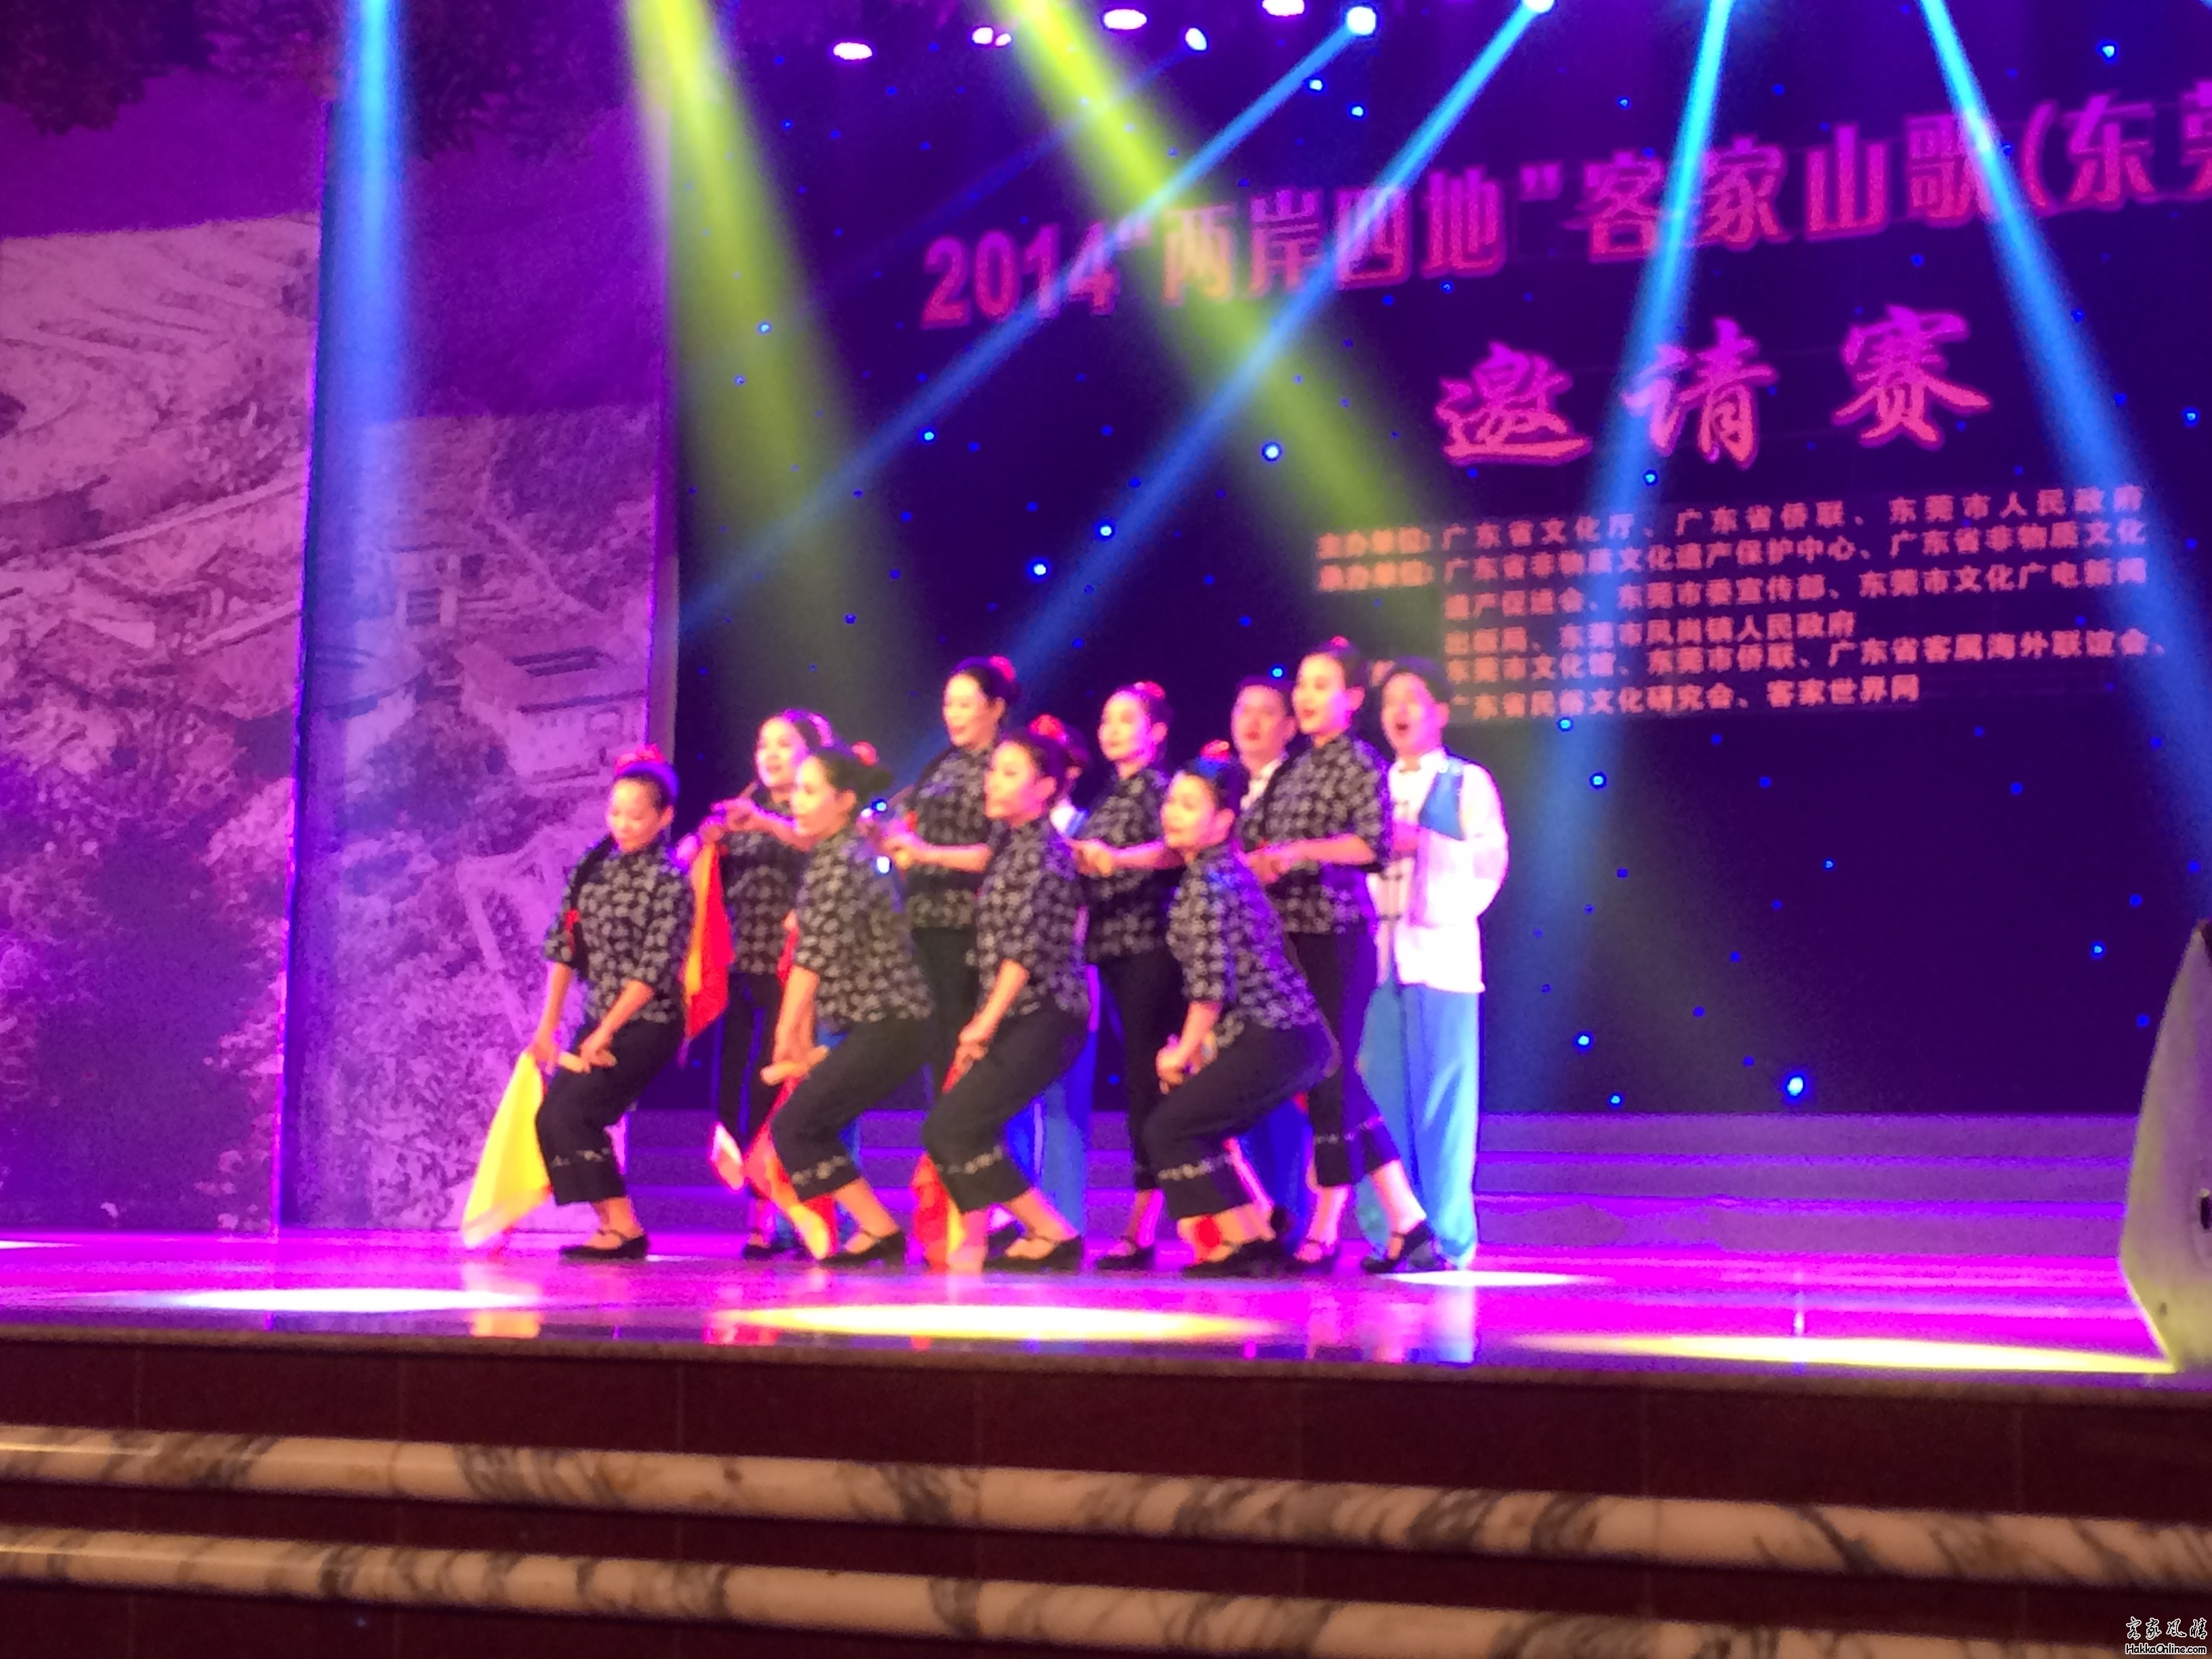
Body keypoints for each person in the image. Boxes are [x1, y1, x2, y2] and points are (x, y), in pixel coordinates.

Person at [1244, 638, 1440, 1275]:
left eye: (1322, 685)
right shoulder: (1293, 768)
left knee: (1329, 1078)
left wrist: (1302, 853)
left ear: (1352, 699)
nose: (1305, 696)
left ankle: (1326, 1231)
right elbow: (1258, 840)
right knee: (1327, 1081)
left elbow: (1373, 844)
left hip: (1336, 937)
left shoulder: (1359, 762)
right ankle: (1407, 1222)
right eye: (1302, 684)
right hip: (1287, 943)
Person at [1146, 756, 1332, 1279]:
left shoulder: (1207, 883)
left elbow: (1210, 987)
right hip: (1290, 1037)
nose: (1172, 813)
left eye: (1189, 805)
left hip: (1275, 1036)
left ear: (1223, 821)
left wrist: (1182, 1054)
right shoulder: (1220, 873)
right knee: (1194, 1126)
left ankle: (1246, 1239)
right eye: (1171, 802)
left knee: (1171, 1127)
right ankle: (1254, 1239)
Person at [921, 724, 1092, 1271]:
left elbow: (1023, 950)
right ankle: (1022, 1236)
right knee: (958, 1127)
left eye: (1009, 772)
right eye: (993, 770)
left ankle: (1051, 1232)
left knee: (953, 1125)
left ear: (1045, 788)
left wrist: (984, 1023)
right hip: (1014, 1012)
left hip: (1044, 1014)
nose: (992, 781)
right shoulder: (1010, 844)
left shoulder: (1042, 853)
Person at [1356, 660, 1508, 1271]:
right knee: (1379, 1103)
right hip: (1375, 963)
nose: (1399, 711)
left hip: (1440, 963)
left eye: (1413, 699)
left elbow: (1489, 861)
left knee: (1443, 1107)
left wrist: (1423, 843)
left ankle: (1447, 1237)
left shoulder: (1466, 782)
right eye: (1390, 700)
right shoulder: (1369, 783)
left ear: (1440, 712)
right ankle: (1391, 1232)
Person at [767, 746, 936, 1267]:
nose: (797, 802)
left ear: (843, 801)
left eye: (810, 791)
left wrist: (787, 1032)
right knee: (803, 1125)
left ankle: (881, 1230)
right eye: (797, 791)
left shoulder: (842, 860)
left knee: (798, 1125)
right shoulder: (832, 855)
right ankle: (879, 1229)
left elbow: (813, 955)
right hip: (873, 1020)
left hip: (893, 1020)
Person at [531, 747, 697, 1262]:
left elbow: (654, 970)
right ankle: (613, 1225)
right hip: (599, 1017)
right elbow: (564, 946)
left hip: (647, 1021)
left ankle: (624, 1227)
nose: (622, 824)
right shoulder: (593, 870)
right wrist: (547, 1027)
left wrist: (606, 1032)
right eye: (615, 812)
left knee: (577, 1112)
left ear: (664, 818)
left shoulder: (669, 881)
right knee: (553, 1117)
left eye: (635, 815)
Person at [678, 709, 831, 1258]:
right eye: (763, 744)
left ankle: (770, 1214)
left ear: (809, 752)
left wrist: (763, 823)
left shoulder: (814, 808)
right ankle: (760, 1197)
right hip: (737, 968)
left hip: (792, 972)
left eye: (783, 744)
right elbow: (680, 864)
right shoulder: (739, 809)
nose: (769, 754)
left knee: (774, 1088)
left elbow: (817, 844)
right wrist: (705, 838)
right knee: (729, 1093)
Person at [1069, 683, 1187, 1270]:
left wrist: (1115, 859)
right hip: (1113, 951)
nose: (1111, 729)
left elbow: (1175, 849)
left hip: (1150, 949)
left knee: (1150, 1081)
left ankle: (1146, 1226)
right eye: (1105, 719)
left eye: (1125, 719)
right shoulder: (1111, 794)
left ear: (1156, 732)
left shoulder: (1161, 789)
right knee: (1141, 1081)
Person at [879, 657, 1017, 1097]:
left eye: (964, 704)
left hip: (970, 921)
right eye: (948, 704)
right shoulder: (943, 763)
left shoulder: (1004, 766)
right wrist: (890, 840)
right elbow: (913, 826)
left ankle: (962, 1130)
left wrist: (924, 852)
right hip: (925, 914)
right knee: (935, 1034)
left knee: (961, 1030)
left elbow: (998, 853)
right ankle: (940, 1129)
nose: (953, 715)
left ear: (996, 708)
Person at [1227, 674, 1311, 1231]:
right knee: (1239, 1096)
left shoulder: (1299, 785)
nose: (1251, 722)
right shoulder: (1219, 786)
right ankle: (1253, 1224)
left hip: (1284, 955)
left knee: (1284, 1095)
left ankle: (1291, 1221)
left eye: (1265, 712)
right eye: (1243, 710)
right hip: (1229, 962)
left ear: (1289, 727)